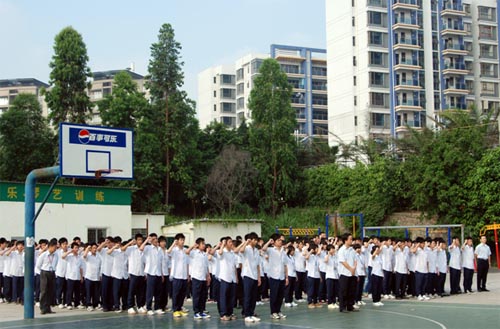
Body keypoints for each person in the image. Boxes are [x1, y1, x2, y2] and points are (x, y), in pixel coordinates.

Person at [235, 232, 261, 323]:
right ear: (251, 240)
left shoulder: (256, 251)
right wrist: (246, 242)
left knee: (254, 296)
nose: (256, 241)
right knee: (247, 295)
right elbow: (238, 251)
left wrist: (259, 277)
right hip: (247, 275)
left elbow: (258, 265)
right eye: (255, 240)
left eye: (256, 240)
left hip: (254, 275)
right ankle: (247, 314)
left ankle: (251, 313)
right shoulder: (246, 248)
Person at [262, 234, 288, 320]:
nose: (280, 242)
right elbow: (263, 249)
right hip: (273, 276)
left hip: (281, 276)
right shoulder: (270, 250)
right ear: (274, 242)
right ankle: (273, 312)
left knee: (280, 295)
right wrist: (269, 241)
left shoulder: (283, 252)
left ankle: (278, 311)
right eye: (278, 240)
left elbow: (285, 265)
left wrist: (286, 277)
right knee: (274, 295)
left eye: (281, 240)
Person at [121, 234, 146, 314]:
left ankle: (139, 306)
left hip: (141, 273)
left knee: (140, 291)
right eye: (138, 240)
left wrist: (145, 273)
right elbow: (122, 249)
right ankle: (130, 306)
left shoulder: (144, 249)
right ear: (135, 240)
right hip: (133, 272)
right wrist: (130, 243)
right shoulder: (131, 249)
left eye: (141, 240)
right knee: (131, 291)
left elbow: (145, 262)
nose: (140, 241)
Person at [140, 233, 164, 315]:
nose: (155, 240)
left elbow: (160, 262)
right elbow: (141, 248)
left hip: (158, 273)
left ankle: (157, 307)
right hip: (150, 272)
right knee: (150, 292)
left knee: (158, 292)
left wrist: (162, 274)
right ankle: (148, 307)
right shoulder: (148, 248)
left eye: (156, 238)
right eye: (153, 239)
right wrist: (147, 240)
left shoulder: (160, 249)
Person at [187, 237, 211, 320]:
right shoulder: (194, 253)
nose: (204, 245)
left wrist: (208, 275)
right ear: (198, 245)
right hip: (196, 277)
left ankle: (201, 311)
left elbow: (206, 266)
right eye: (202, 244)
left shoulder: (204, 254)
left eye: (204, 244)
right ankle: (196, 312)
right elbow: (187, 252)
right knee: (196, 295)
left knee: (203, 295)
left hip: (203, 277)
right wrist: (193, 246)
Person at [168, 233, 189, 318]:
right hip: (176, 275)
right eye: (181, 240)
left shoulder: (185, 250)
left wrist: (188, 275)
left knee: (182, 294)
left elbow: (187, 263)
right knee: (176, 294)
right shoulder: (174, 250)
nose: (183, 241)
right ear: (177, 241)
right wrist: (174, 244)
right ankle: (175, 310)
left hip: (184, 275)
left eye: (183, 240)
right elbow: (168, 252)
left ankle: (180, 308)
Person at [217, 236, 237, 321]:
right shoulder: (222, 251)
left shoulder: (232, 253)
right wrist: (223, 244)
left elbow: (234, 266)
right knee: (224, 297)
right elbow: (220, 253)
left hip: (232, 277)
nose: (231, 243)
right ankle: (223, 314)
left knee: (231, 297)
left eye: (231, 242)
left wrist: (236, 277)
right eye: (229, 242)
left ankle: (230, 313)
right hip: (225, 277)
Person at [35, 240, 58, 314]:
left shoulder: (56, 255)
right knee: (44, 291)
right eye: (54, 247)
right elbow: (38, 265)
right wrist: (41, 273)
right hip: (44, 272)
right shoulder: (43, 255)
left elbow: (55, 264)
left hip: (52, 272)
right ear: (50, 246)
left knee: (50, 291)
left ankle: (48, 308)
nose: (55, 249)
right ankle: (43, 308)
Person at [337, 233, 357, 313]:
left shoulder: (352, 250)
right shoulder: (341, 250)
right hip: (344, 273)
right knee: (343, 291)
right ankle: (342, 307)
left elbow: (355, 260)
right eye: (350, 239)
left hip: (352, 273)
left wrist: (354, 268)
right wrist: (350, 269)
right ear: (345, 240)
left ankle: (350, 306)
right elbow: (343, 262)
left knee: (351, 290)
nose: (351, 241)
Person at [62, 242, 84, 310]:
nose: (77, 249)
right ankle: (69, 303)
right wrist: (70, 251)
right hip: (70, 276)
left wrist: (81, 276)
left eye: (77, 248)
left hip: (77, 276)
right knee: (69, 291)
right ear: (72, 248)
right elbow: (63, 256)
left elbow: (81, 267)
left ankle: (77, 303)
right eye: (75, 248)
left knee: (77, 291)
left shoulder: (80, 257)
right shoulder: (69, 256)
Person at [83, 243, 101, 311]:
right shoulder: (88, 255)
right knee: (88, 292)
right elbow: (84, 256)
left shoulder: (98, 256)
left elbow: (100, 266)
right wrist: (88, 248)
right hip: (89, 277)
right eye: (93, 248)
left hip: (96, 277)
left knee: (95, 293)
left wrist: (99, 275)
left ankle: (95, 304)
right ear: (91, 249)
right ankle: (88, 305)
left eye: (96, 248)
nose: (95, 249)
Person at [305, 242, 321, 308]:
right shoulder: (310, 256)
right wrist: (311, 251)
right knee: (311, 289)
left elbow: (318, 267)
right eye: (316, 248)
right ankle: (310, 302)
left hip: (317, 275)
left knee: (316, 289)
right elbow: (306, 257)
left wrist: (320, 276)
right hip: (311, 275)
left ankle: (315, 301)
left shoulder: (317, 257)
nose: (317, 250)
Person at [325, 243, 339, 309]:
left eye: (333, 249)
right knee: (330, 290)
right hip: (329, 276)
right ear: (329, 250)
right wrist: (328, 254)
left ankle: (334, 302)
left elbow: (337, 264)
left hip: (335, 275)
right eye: (332, 249)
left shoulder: (335, 256)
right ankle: (330, 303)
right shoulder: (327, 256)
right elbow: (326, 261)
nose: (333, 250)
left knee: (335, 290)